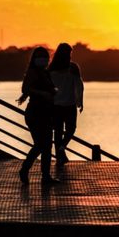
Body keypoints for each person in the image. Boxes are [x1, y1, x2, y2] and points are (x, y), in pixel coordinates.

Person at [16, 46, 59, 185]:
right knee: (41, 144)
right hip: (35, 112)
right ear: (34, 59)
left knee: (47, 146)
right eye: (40, 57)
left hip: (47, 113)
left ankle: (45, 176)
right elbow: (25, 89)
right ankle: (25, 169)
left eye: (45, 57)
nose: (43, 59)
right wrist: (43, 94)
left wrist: (53, 92)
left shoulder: (45, 73)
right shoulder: (32, 72)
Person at [48, 43, 84, 166]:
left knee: (57, 131)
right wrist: (80, 101)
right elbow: (79, 86)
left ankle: (60, 156)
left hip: (55, 105)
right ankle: (62, 148)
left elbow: (48, 88)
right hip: (69, 104)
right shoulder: (73, 68)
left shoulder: (51, 68)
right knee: (71, 129)